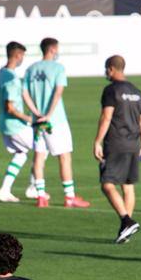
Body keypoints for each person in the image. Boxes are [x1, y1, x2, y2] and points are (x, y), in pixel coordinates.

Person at [23, 38, 90, 209]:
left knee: (39, 157)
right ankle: (69, 197)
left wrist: (36, 113)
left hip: (37, 122)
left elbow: (24, 94)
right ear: (52, 49)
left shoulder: (31, 69)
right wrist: (48, 114)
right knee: (64, 157)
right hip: (55, 121)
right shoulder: (58, 68)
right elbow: (58, 93)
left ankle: (41, 196)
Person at [93, 55, 141, 244]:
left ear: (111, 69)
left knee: (107, 184)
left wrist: (97, 141)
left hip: (116, 143)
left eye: (106, 69)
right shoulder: (136, 91)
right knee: (127, 186)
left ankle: (126, 220)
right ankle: (126, 230)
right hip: (133, 144)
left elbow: (107, 117)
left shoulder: (111, 90)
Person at [0, 41, 35, 204]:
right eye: (22, 55)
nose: (23, 59)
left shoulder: (1, 72)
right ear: (17, 55)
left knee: (21, 155)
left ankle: (4, 190)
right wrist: (28, 119)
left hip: (5, 124)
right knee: (42, 149)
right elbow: (10, 107)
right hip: (15, 125)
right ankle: (34, 187)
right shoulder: (11, 77)